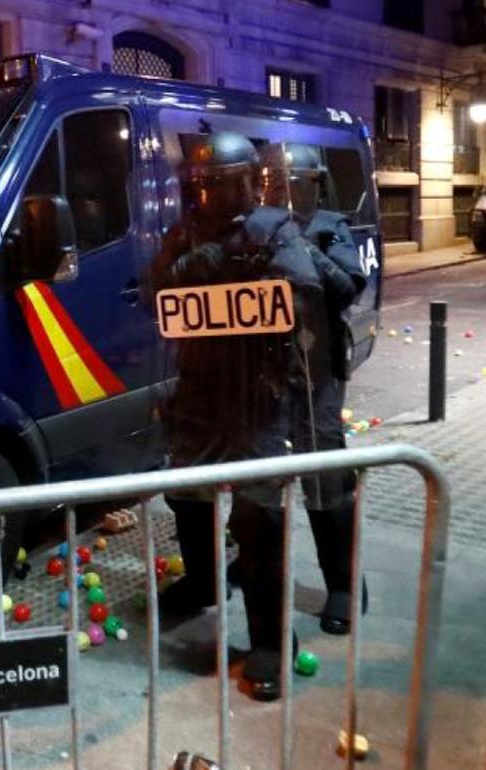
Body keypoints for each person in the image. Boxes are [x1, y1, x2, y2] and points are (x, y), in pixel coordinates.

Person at [153, 132, 321, 701]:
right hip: (200, 392)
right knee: (186, 497)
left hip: (257, 397)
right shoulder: (185, 233)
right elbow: (156, 287)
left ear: (249, 182)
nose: (214, 196)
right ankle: (202, 581)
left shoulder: (275, 229)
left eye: (224, 185)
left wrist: (235, 269)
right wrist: (190, 265)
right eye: (205, 187)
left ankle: (271, 640)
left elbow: (305, 294)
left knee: (258, 520)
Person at [260, 142, 369, 634]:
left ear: (312, 183)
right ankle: (254, 565)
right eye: (272, 184)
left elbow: (349, 287)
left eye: (288, 183)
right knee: (261, 481)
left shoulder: (328, 226)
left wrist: (301, 251)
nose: (279, 192)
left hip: (318, 370)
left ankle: (343, 585)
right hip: (266, 372)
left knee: (324, 475)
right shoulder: (258, 226)